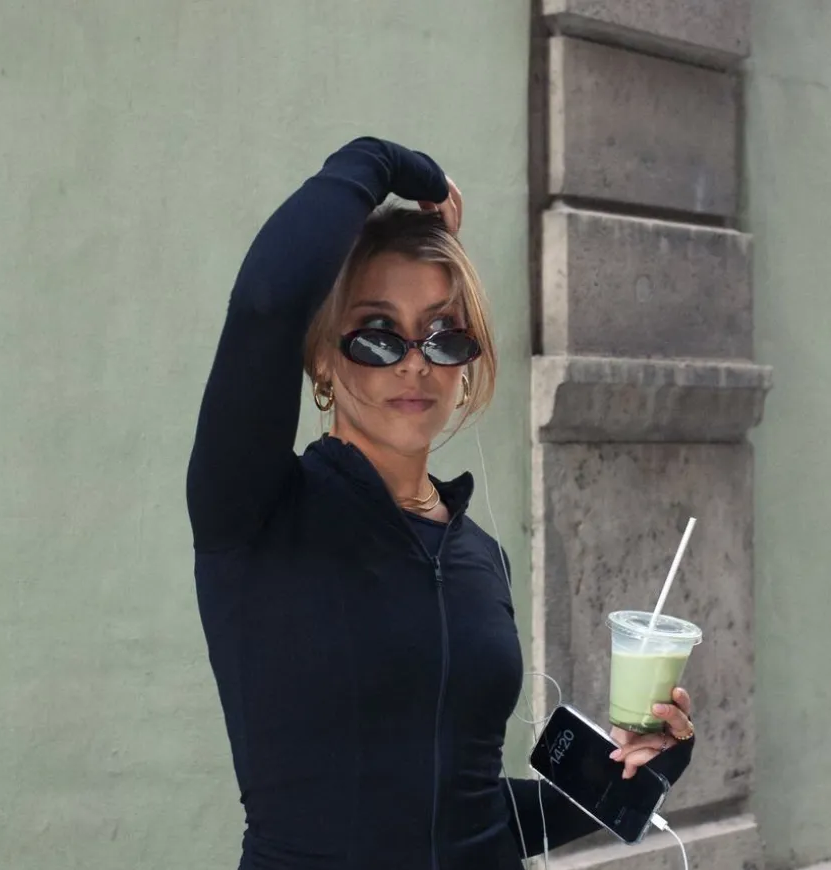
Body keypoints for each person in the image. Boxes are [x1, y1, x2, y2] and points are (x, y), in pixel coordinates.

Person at [186, 137, 696, 870]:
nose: (415, 362)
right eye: (377, 335)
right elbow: (268, 303)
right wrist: (384, 164)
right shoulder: (256, 509)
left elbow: (470, 817)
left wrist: (643, 771)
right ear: (321, 356)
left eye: (443, 336)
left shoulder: (478, 557)